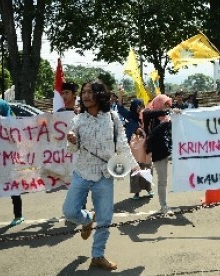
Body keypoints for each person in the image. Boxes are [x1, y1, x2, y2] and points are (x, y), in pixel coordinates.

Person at [63, 80, 139, 271]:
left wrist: (135, 167)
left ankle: (98, 256)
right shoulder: (77, 120)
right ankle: (88, 219)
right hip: (81, 172)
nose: (86, 96)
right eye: (84, 92)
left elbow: (122, 144)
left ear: (100, 95)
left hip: (105, 174)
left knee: (105, 218)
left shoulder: (113, 118)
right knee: (70, 212)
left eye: (90, 92)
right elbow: (72, 149)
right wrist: (72, 140)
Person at [0, 99, 24, 226]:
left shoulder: (10, 122)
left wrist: (3, 121)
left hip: (8, 160)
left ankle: (18, 215)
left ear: (2, 109)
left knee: (13, 187)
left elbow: (17, 137)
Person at [144, 94, 175, 215]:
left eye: (168, 104)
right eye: (165, 104)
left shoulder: (166, 118)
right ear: (159, 104)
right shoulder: (150, 117)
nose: (167, 107)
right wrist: (164, 120)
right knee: (162, 181)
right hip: (158, 153)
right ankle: (163, 206)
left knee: (164, 181)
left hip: (167, 152)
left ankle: (164, 205)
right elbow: (152, 135)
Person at [129, 127, 154, 199]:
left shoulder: (147, 134)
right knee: (135, 177)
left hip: (146, 158)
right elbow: (131, 147)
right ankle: (136, 193)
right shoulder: (133, 137)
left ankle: (149, 189)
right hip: (135, 160)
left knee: (147, 174)